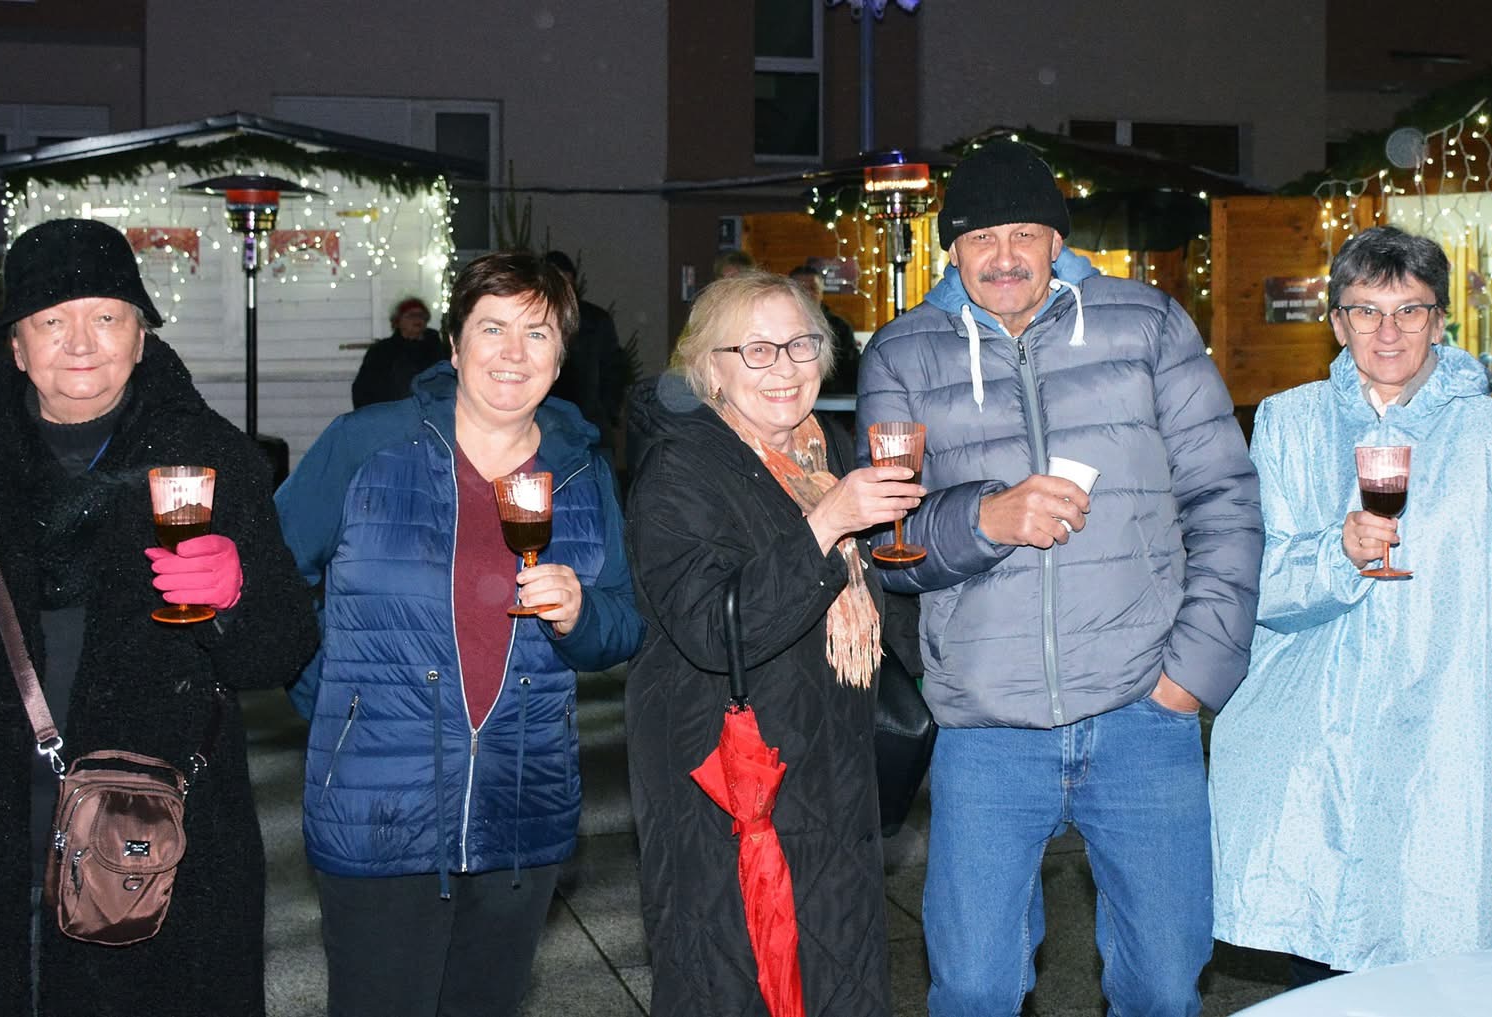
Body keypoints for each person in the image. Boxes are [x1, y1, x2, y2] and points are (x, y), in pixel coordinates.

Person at [0, 218, 320, 1016]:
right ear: (17, 346)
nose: (80, 342)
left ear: (140, 337)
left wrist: (235, 596)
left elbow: (281, 647)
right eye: (52, 320)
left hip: (152, 849)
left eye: (106, 316)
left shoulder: (210, 462)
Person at [856, 139, 1262, 1017]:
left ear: (1056, 240)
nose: (1002, 256)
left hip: (1142, 712)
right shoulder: (902, 354)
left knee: (1162, 985)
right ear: (951, 248)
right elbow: (888, 540)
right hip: (986, 725)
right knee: (973, 988)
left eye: (1022, 233)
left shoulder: (1147, 326)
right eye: (979, 236)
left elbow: (1225, 500)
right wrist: (985, 520)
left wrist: (1189, 680)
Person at [278, 251, 643, 1017]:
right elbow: (271, 578)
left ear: (560, 357)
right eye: (492, 328)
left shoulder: (580, 471)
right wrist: (337, 698)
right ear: (454, 344)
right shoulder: (368, 444)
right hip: (380, 809)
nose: (514, 353)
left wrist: (581, 614)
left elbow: (624, 622)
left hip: (521, 807)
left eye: (537, 334)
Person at [1206, 226, 1492, 982]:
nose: (1387, 332)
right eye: (1365, 311)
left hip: (1438, 751)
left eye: (1409, 310)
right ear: (1337, 323)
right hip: (1308, 752)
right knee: (1317, 971)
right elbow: (1255, 588)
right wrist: (1338, 554)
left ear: (1439, 321)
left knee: (1427, 975)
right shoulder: (1289, 422)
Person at [626, 272, 921, 1017]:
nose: (784, 367)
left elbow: (880, 600)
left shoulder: (828, 452)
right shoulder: (681, 468)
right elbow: (712, 628)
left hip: (834, 783)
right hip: (733, 796)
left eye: (801, 344)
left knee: (839, 985)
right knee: (740, 984)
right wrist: (827, 525)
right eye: (755, 350)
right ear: (710, 368)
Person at [543, 250, 629, 445]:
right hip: (545, 427)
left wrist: (607, 412)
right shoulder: (533, 321)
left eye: (565, 281)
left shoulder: (595, 321)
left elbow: (614, 371)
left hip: (590, 426)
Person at [350, 296, 449, 408]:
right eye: (411, 315)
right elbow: (363, 389)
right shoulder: (381, 351)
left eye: (421, 315)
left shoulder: (437, 349)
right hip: (391, 413)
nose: (417, 319)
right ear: (398, 321)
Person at [790, 263, 860, 395]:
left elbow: (853, 373)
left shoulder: (840, 328)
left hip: (831, 403)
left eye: (813, 288)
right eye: (801, 289)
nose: (807, 294)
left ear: (821, 293)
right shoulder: (777, 326)